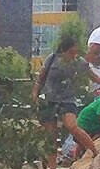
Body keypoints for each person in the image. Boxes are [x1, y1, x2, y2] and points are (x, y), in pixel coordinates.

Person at [34, 33, 94, 162]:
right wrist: (35, 95)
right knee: (51, 134)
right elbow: (40, 78)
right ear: (64, 51)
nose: (73, 55)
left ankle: (94, 151)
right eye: (71, 52)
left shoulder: (78, 62)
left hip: (67, 98)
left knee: (71, 125)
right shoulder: (52, 59)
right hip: (49, 97)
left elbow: (92, 75)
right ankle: (52, 165)